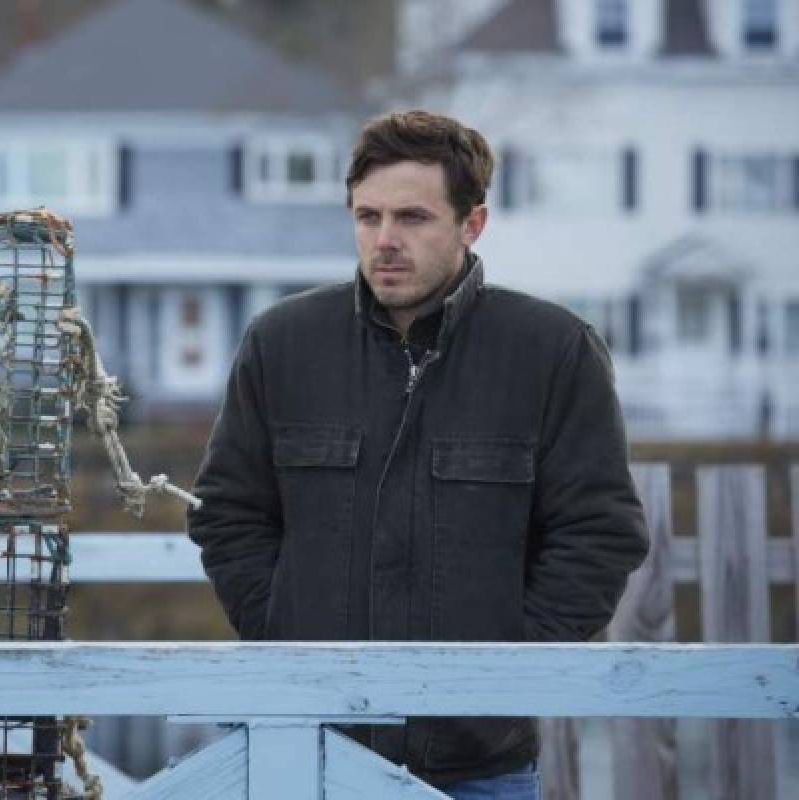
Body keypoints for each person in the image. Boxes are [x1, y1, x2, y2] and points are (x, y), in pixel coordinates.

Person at [186, 109, 649, 798]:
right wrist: (281, 623)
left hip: (478, 765)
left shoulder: (552, 351)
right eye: (367, 217)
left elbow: (599, 535)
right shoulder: (280, 344)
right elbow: (227, 515)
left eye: (412, 217)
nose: (385, 241)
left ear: (473, 224)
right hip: (295, 749)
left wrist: (501, 672)